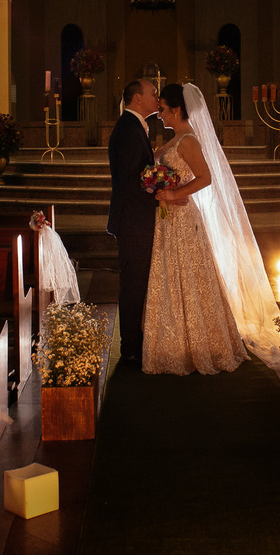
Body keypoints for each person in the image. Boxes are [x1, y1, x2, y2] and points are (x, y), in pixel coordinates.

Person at [143, 83, 250, 375]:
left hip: (183, 216)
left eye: (163, 109)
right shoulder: (175, 139)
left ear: (176, 110)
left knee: (188, 276)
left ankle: (201, 344)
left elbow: (205, 177)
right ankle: (175, 342)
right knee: (172, 275)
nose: (160, 115)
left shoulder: (188, 140)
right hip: (169, 218)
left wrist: (173, 194)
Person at [107, 78, 160, 366]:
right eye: (153, 93)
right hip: (133, 220)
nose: (157, 97)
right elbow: (131, 181)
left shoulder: (133, 125)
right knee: (133, 282)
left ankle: (134, 340)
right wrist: (159, 194)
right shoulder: (128, 129)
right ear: (137, 98)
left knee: (136, 281)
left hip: (134, 218)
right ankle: (130, 345)